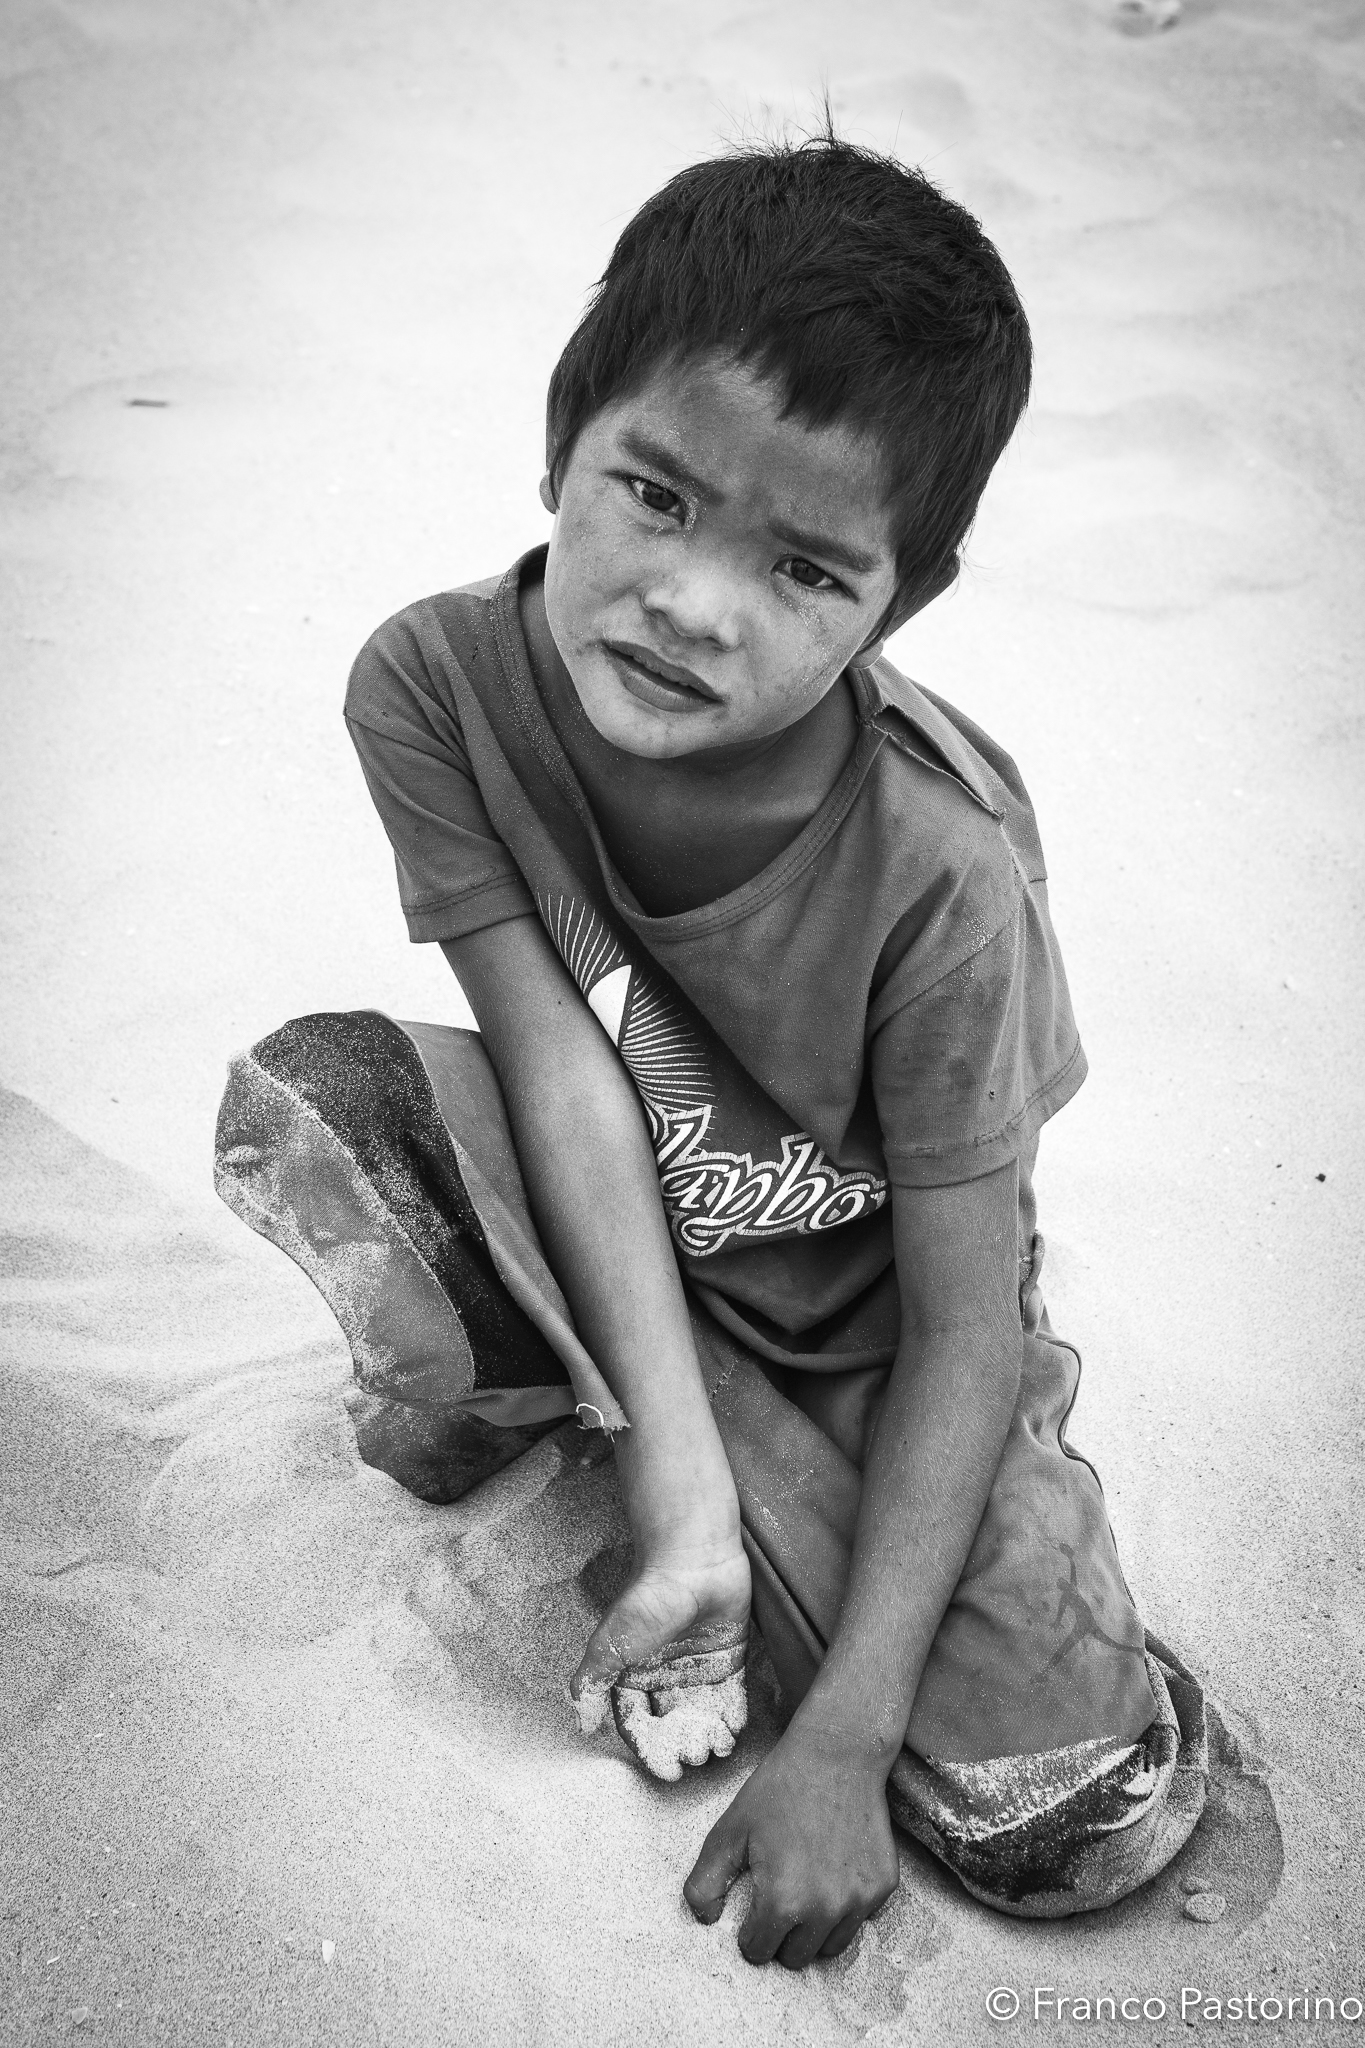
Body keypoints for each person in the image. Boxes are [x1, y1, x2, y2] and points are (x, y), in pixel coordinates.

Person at [215, 134, 1208, 1967]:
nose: (692, 603)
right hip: (618, 1201)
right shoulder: (433, 682)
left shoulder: (941, 872)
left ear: (895, 604)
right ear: (562, 441)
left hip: (866, 1323)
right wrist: (683, 1520)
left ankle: (655, 1420)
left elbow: (969, 1318)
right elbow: (566, 1072)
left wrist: (837, 1738)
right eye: (656, 497)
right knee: (324, 1110)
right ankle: (597, 1403)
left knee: (1055, 1809)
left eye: (803, 571)